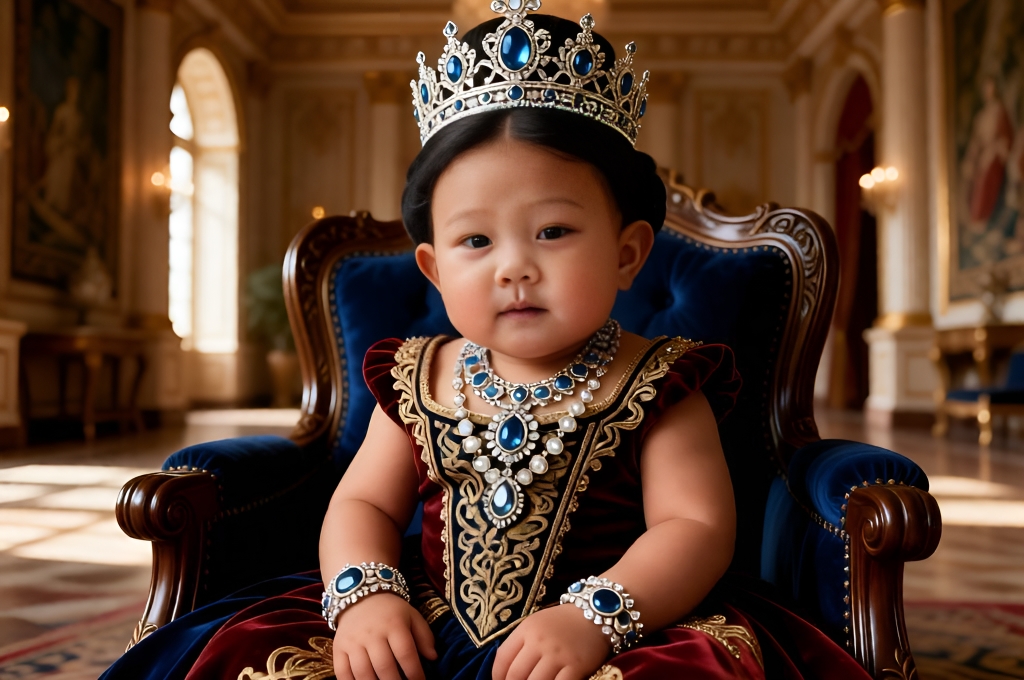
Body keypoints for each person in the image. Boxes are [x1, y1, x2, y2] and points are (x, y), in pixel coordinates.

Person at [102, 5, 873, 680]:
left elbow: (696, 527)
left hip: (617, 626)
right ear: (433, 270)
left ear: (628, 253)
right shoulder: (415, 376)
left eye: (554, 231)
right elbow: (364, 501)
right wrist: (365, 590)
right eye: (476, 241)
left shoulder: (660, 382)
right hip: (424, 619)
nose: (515, 267)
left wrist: (595, 616)